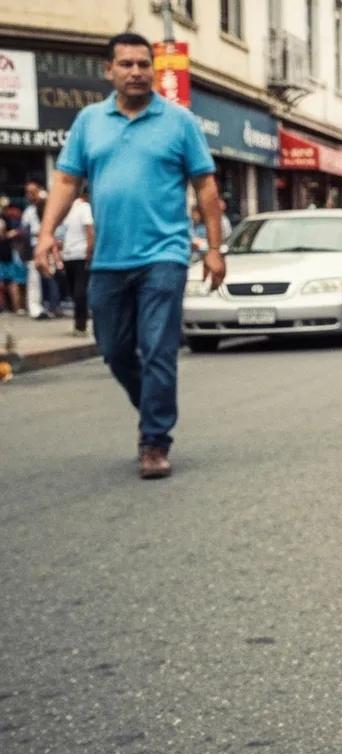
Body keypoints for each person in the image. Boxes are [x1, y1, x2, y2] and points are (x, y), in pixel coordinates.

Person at [35, 31, 224, 479]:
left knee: (158, 347)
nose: (136, 72)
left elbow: (206, 186)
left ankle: (155, 441)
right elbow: (66, 181)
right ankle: (154, 404)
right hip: (109, 260)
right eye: (126, 64)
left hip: (165, 254)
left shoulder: (179, 122)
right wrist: (46, 233)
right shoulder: (88, 122)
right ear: (109, 70)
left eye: (144, 64)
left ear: (153, 70)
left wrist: (215, 249)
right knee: (115, 349)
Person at [56, 186, 94, 335]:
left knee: (74, 289)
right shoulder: (85, 208)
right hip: (81, 253)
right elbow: (89, 230)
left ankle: (78, 322)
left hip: (68, 254)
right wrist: (90, 251)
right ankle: (81, 325)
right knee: (81, 289)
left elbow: (61, 232)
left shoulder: (69, 209)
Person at [22, 181, 61, 319]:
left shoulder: (47, 207)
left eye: (33, 192)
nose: (30, 196)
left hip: (47, 245)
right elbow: (25, 232)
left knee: (49, 276)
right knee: (37, 279)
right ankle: (42, 307)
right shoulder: (29, 211)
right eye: (28, 193)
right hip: (34, 246)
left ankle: (53, 306)